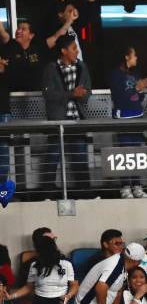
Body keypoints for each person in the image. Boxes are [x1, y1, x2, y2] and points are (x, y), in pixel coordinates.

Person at [41, 36, 91, 192]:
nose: (77, 51)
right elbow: (48, 95)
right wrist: (71, 94)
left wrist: (82, 94)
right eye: (73, 48)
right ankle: (47, 192)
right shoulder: (51, 68)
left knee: (80, 158)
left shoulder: (82, 67)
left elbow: (88, 91)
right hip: (58, 121)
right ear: (63, 50)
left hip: (77, 121)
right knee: (53, 157)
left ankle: (84, 192)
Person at [8, 229, 77, 304]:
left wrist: (68, 295)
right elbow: (28, 287)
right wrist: (11, 296)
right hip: (41, 303)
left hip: (61, 302)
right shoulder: (34, 265)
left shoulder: (66, 263)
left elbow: (74, 284)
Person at [108, 46, 147, 197]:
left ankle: (137, 186)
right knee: (126, 151)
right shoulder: (115, 75)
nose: (136, 58)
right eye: (134, 55)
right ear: (126, 57)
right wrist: (137, 89)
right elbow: (120, 98)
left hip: (137, 117)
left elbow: (139, 97)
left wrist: (140, 91)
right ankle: (125, 186)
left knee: (137, 152)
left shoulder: (135, 74)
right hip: (123, 118)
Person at [76, 231, 141, 304]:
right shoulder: (97, 261)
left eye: (122, 244)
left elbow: (119, 289)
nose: (121, 247)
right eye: (117, 243)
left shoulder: (122, 260)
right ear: (106, 244)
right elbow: (99, 288)